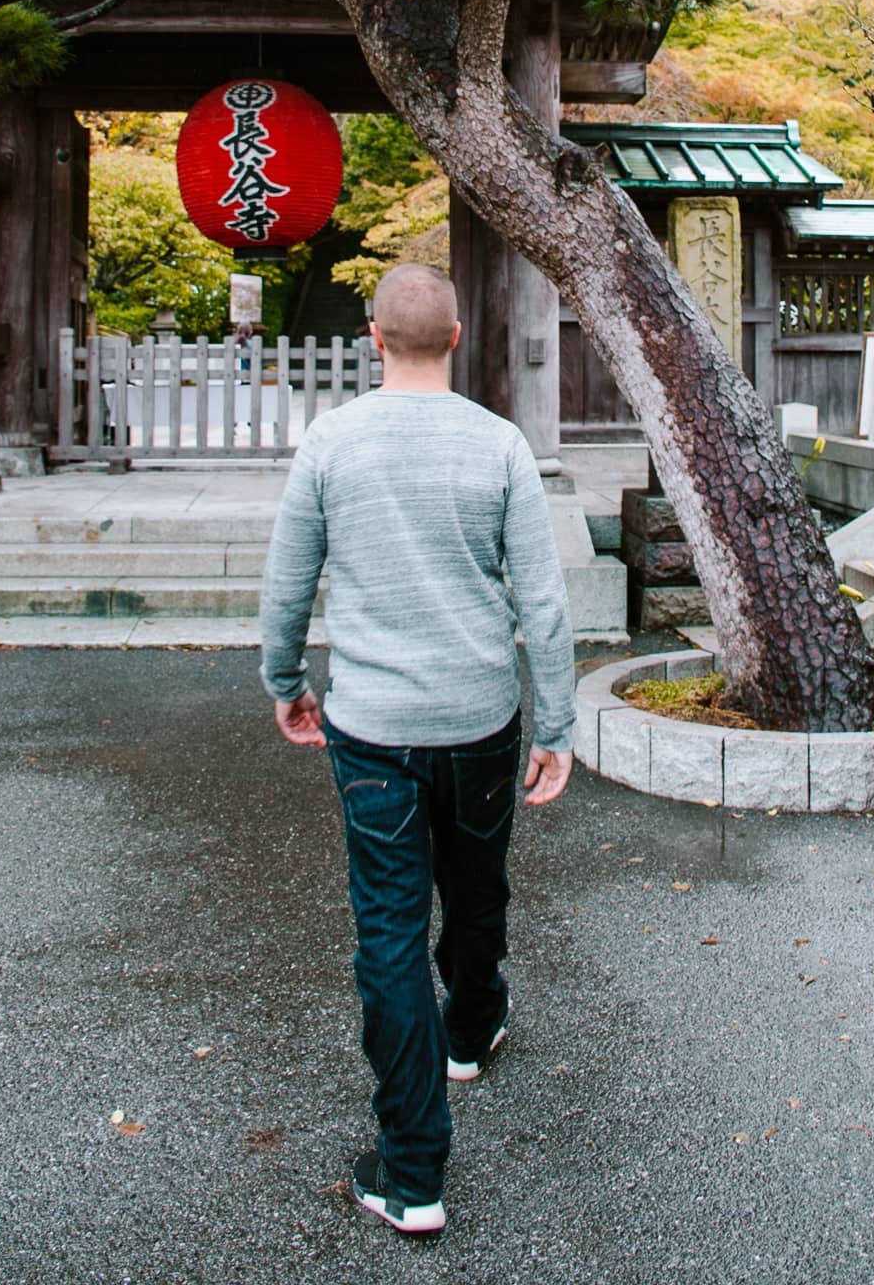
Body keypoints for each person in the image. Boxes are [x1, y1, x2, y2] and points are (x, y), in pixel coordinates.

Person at [260, 261, 576, 1236]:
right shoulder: (500, 444)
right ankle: (472, 1025)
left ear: (370, 335)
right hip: (481, 718)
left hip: (372, 729)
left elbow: (288, 582)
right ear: (454, 334)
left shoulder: (331, 441)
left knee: (388, 933)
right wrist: (557, 722)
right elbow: (544, 597)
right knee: (478, 885)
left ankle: (412, 1170)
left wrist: (286, 682)